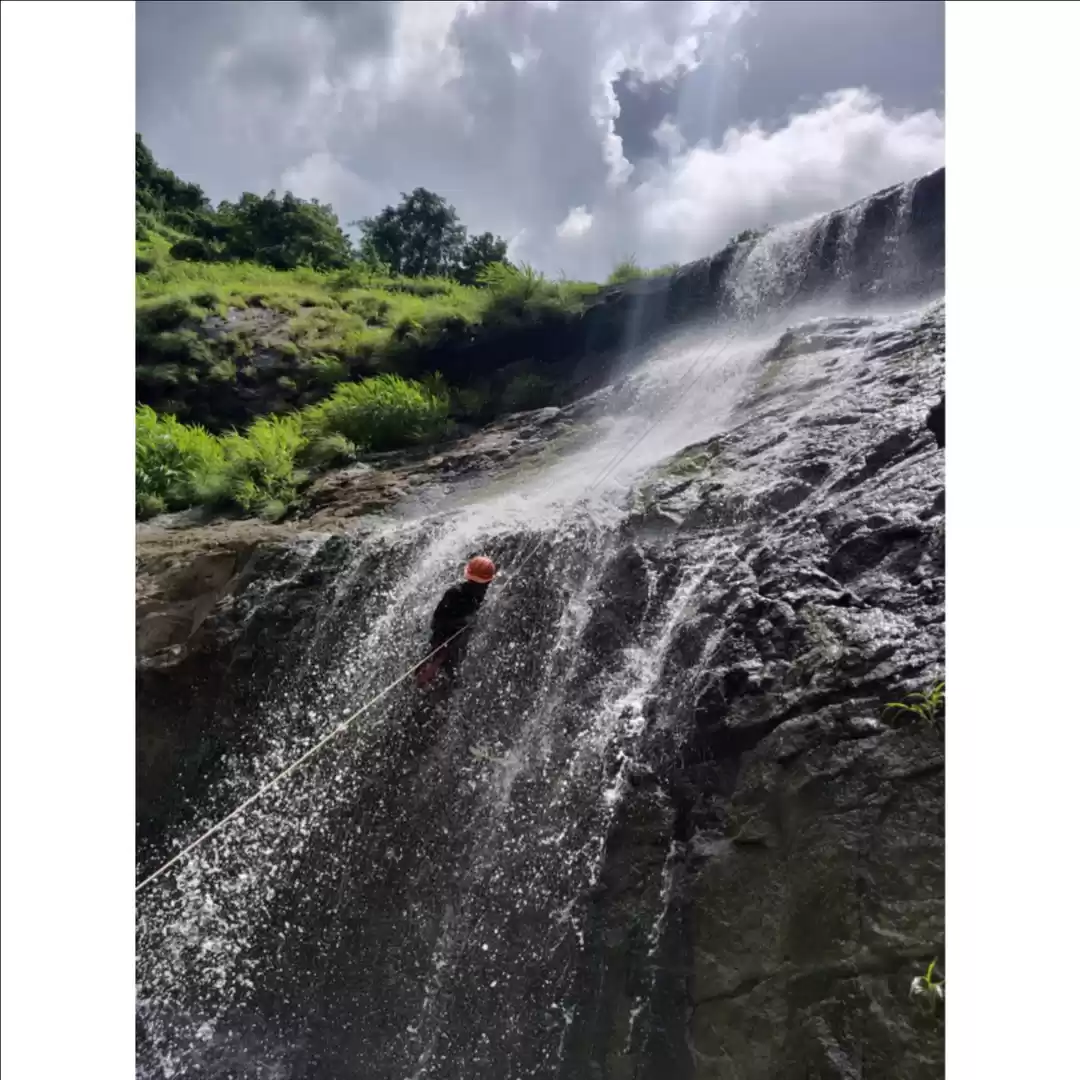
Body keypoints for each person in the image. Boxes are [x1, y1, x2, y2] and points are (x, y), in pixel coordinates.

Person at [416, 556, 497, 689]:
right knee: (434, 670)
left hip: (456, 645)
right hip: (442, 641)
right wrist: (461, 622)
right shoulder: (455, 594)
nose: (484, 587)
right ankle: (425, 681)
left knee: (449, 677)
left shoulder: (478, 595)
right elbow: (437, 622)